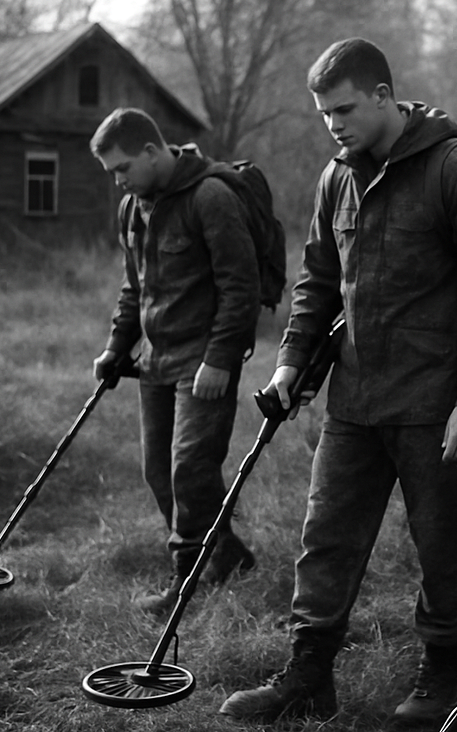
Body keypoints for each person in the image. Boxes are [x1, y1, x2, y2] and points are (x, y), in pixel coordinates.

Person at [218, 38, 457, 726]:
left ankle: (439, 678)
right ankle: (308, 677)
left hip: (436, 405)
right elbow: (317, 281)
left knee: (440, 543)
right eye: (325, 113)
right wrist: (291, 362)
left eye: (345, 109)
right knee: (325, 536)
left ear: (384, 96)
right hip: (354, 399)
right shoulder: (337, 178)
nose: (334, 124)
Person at [91, 107, 260, 615]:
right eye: (112, 173)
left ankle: (184, 584)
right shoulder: (134, 208)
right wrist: (115, 347)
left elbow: (241, 286)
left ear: (151, 151)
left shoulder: (211, 197)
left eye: (123, 169)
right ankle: (226, 556)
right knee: (158, 472)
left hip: (203, 362)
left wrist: (220, 359)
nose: (119, 182)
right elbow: (135, 287)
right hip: (156, 360)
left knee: (190, 470)